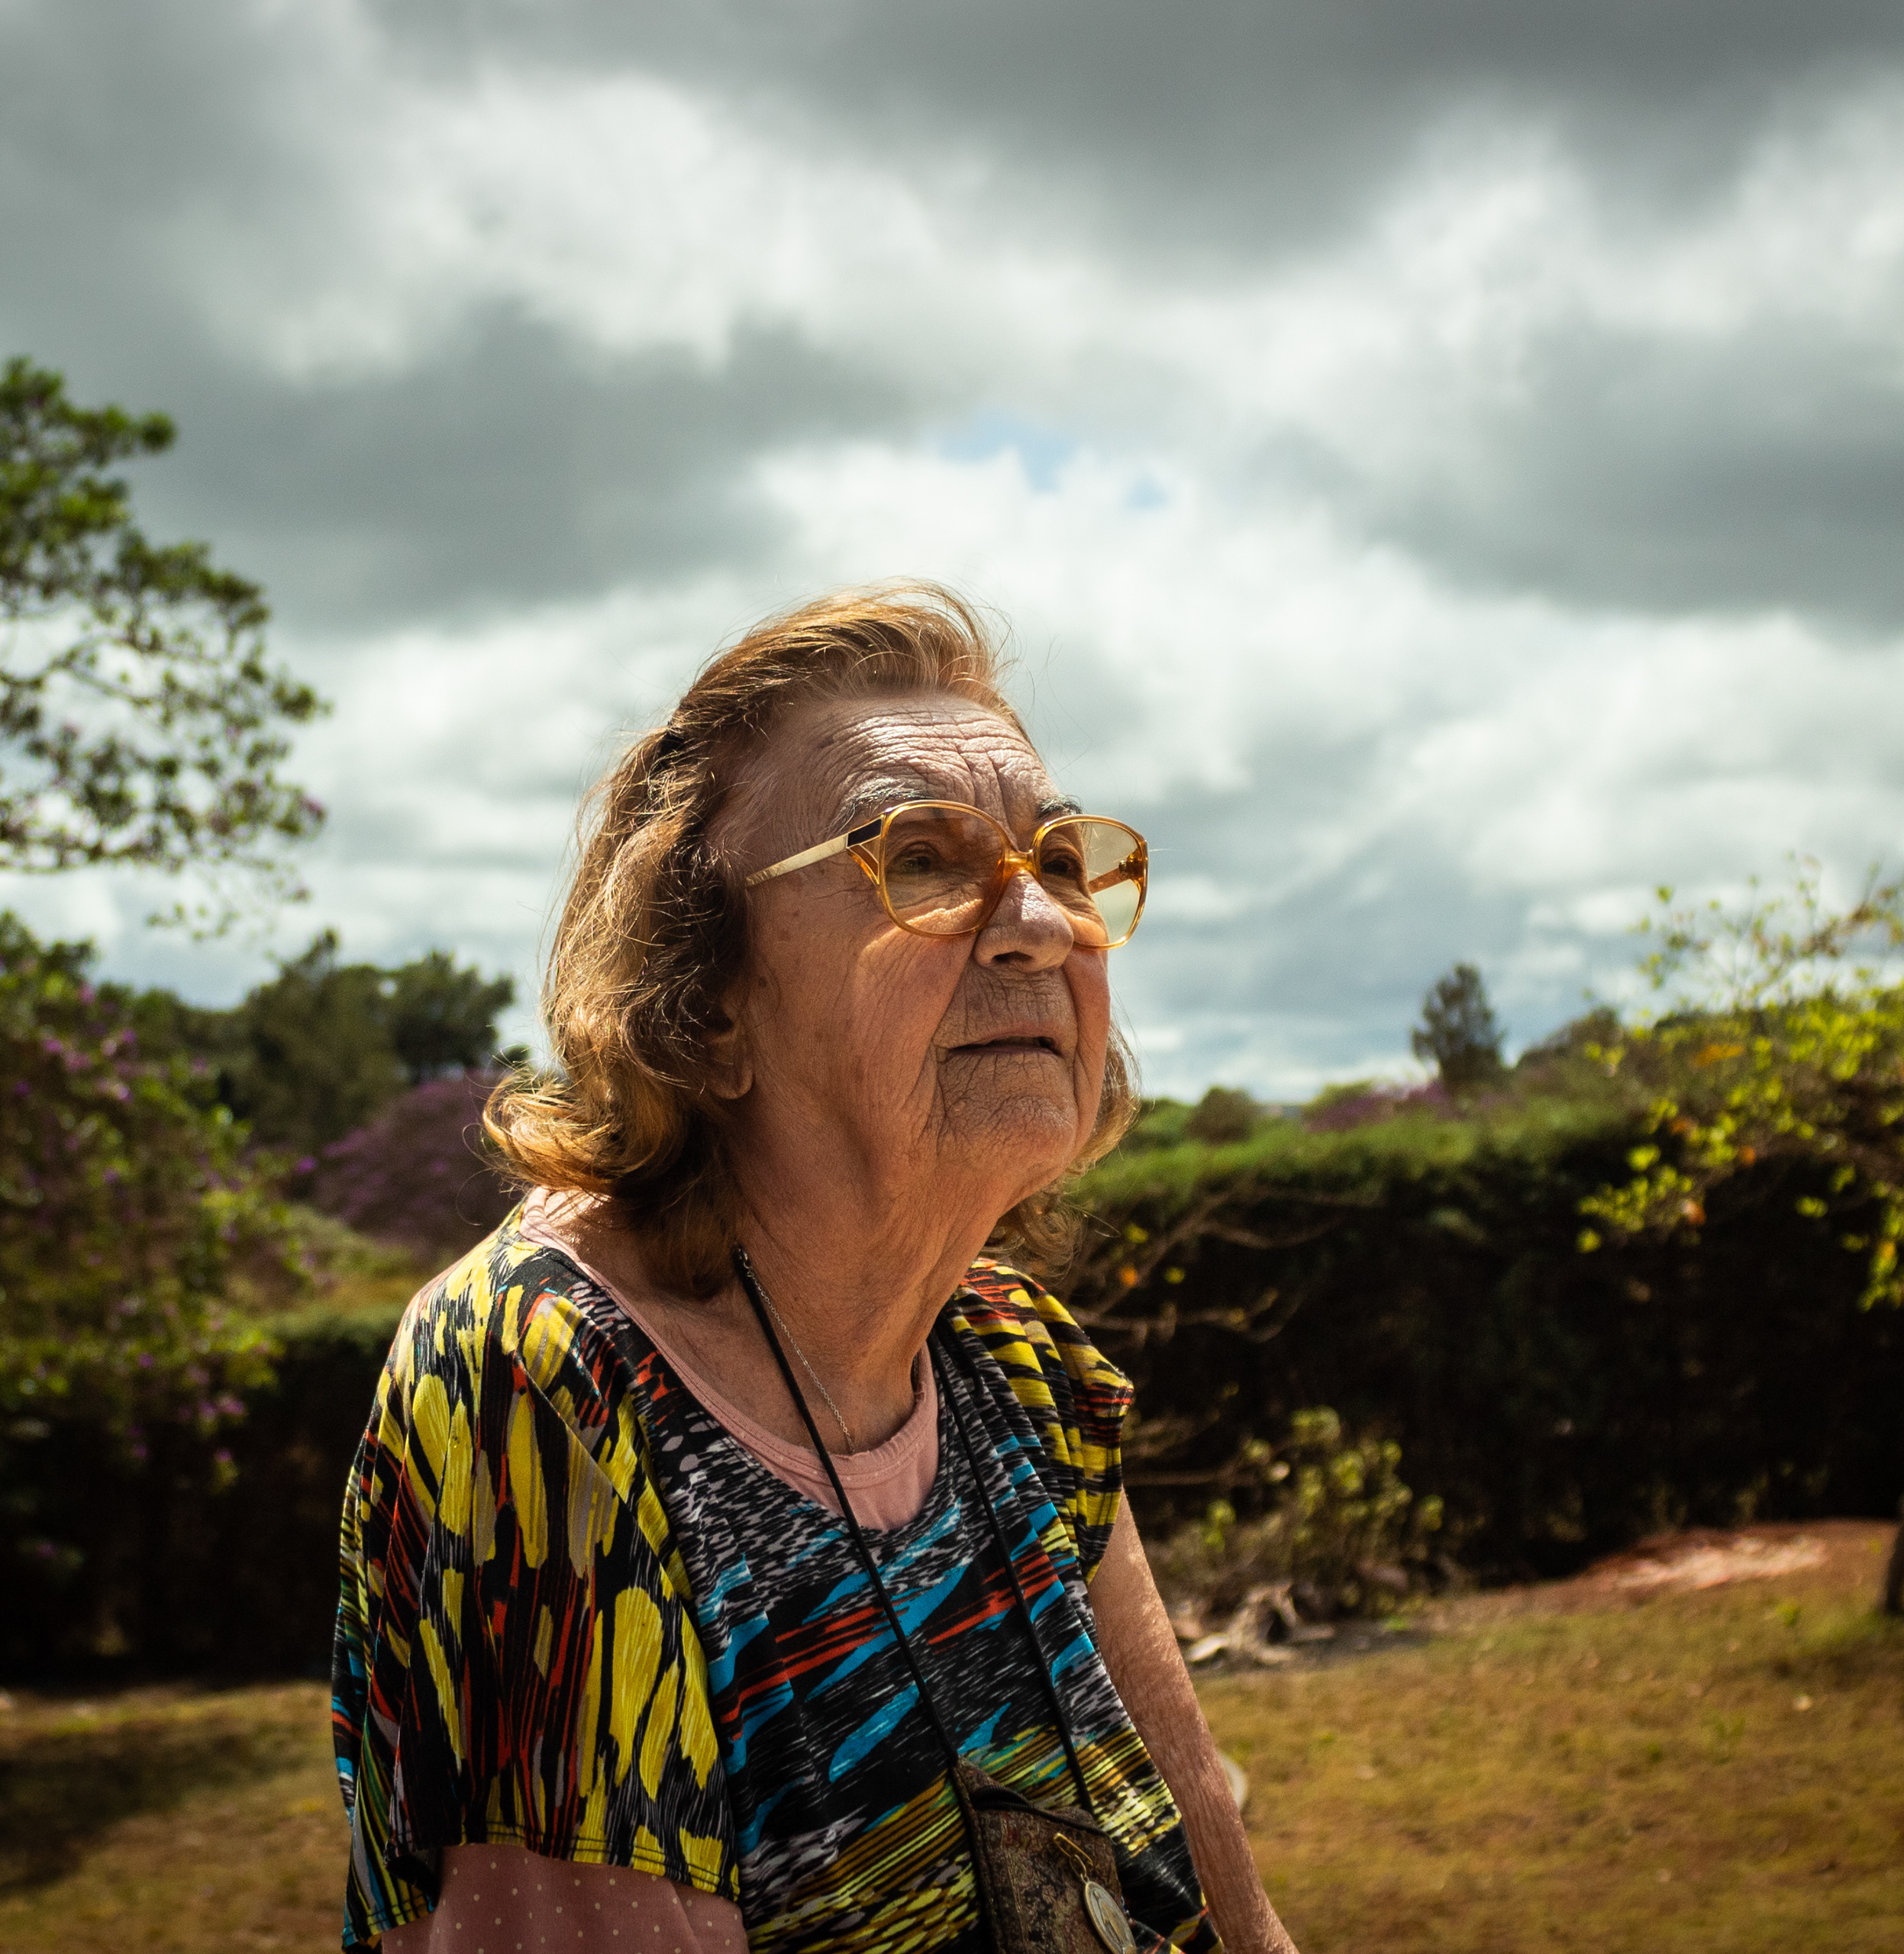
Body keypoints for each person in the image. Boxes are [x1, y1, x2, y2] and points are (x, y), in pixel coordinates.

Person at [333, 584, 1296, 1954]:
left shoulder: (1012, 1358)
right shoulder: (550, 1393)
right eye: (918, 858)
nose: (1036, 924)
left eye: (1062, 863)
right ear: (705, 1000)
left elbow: (1232, 1904)